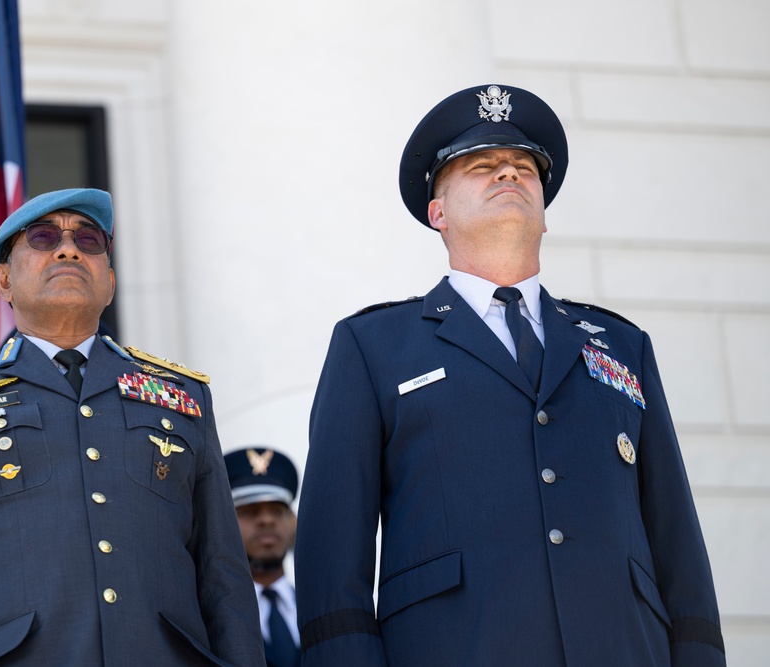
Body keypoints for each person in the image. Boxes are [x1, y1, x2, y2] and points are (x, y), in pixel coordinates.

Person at [294, 84, 725, 666]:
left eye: (523, 167)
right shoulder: (373, 346)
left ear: (544, 213)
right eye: (481, 167)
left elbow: (678, 547)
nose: (508, 175)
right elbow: (331, 563)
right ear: (437, 213)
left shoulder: (622, 345)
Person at [0, 188, 265, 666]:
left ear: (110, 282)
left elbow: (224, 578)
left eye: (89, 240)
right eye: (42, 238)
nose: (68, 249)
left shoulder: (183, 397)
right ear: (3, 281)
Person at [225, 447, 300, 667]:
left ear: (293, 521)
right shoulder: (206, 619)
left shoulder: (321, 609)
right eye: (249, 511)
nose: (267, 520)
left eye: (277, 511)